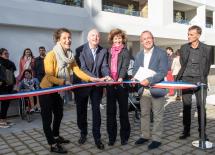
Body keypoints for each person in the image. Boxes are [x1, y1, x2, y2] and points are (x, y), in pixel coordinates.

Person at [39, 28, 100, 154]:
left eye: (69, 37)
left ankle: (56, 136)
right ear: (58, 40)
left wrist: (91, 79)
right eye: (64, 38)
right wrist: (64, 82)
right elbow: (49, 76)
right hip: (46, 90)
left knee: (59, 114)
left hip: (57, 90)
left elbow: (77, 70)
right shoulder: (51, 55)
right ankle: (52, 144)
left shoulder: (70, 55)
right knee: (47, 119)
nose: (68, 40)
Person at [73, 29, 111, 150]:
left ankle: (97, 138)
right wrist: (98, 79)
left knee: (96, 112)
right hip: (82, 85)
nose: (95, 38)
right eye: (93, 35)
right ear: (88, 38)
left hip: (96, 87)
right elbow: (83, 68)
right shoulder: (80, 50)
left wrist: (107, 75)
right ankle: (83, 133)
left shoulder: (103, 50)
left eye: (98, 36)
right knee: (81, 111)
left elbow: (104, 66)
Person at [133, 31, 168, 150]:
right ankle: (145, 135)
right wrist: (135, 77)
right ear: (141, 41)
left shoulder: (161, 53)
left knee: (158, 115)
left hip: (156, 88)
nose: (147, 40)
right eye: (144, 39)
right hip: (143, 89)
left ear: (153, 39)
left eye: (149, 38)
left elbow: (162, 71)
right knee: (144, 113)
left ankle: (157, 139)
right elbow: (135, 70)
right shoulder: (138, 55)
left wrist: (149, 79)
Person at [176, 25, 212, 140]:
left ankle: (202, 132)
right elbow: (183, 63)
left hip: (200, 80)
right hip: (186, 80)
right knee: (186, 106)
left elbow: (207, 66)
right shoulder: (183, 48)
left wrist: (202, 78)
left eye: (191, 34)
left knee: (201, 107)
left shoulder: (207, 48)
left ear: (198, 35)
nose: (189, 36)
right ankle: (186, 131)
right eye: (188, 34)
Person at [106, 28, 130, 146]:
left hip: (121, 85)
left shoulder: (125, 51)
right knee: (110, 112)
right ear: (112, 39)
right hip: (111, 85)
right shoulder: (108, 51)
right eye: (115, 38)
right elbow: (106, 66)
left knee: (123, 112)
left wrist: (121, 77)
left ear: (122, 39)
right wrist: (108, 77)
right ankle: (111, 136)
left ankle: (124, 136)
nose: (117, 40)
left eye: (119, 38)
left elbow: (125, 66)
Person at [0, 48, 16, 128]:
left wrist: (14, 83)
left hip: (9, 86)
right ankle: (1, 120)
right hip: (2, 87)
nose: (7, 54)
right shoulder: (0, 63)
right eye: (5, 53)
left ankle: (4, 119)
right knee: (4, 103)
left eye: (7, 53)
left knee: (6, 103)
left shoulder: (10, 63)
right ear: (0, 55)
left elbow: (12, 74)